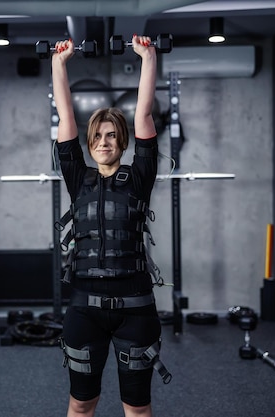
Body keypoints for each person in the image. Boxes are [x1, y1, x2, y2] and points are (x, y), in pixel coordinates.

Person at [51, 36, 171, 417]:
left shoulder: (138, 177)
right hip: (84, 311)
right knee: (81, 404)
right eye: (98, 136)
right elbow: (65, 116)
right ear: (89, 143)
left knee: (136, 408)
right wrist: (59, 63)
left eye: (112, 135)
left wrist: (148, 58)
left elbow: (144, 116)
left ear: (123, 142)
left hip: (136, 311)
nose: (104, 141)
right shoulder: (77, 177)